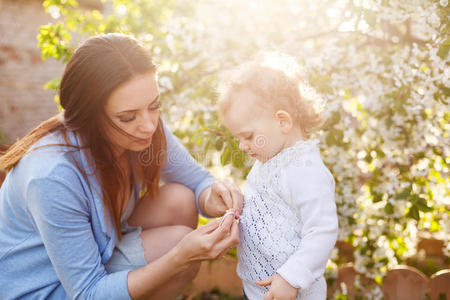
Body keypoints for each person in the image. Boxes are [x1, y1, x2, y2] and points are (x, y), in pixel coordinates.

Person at [0, 33, 243, 300]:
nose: (149, 125)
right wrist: (180, 257)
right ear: (89, 115)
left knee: (180, 199)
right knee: (176, 244)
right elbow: (87, 293)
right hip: (50, 290)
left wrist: (216, 196)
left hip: (99, 258)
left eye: (154, 106)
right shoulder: (51, 175)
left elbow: (197, 182)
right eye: (127, 117)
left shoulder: (145, 130)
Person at [218, 52, 339, 300]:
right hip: (258, 287)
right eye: (237, 138)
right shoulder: (270, 158)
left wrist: (291, 277)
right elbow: (270, 209)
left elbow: (322, 230)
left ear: (282, 121)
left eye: (248, 136)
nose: (242, 146)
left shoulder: (305, 171)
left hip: (293, 291)